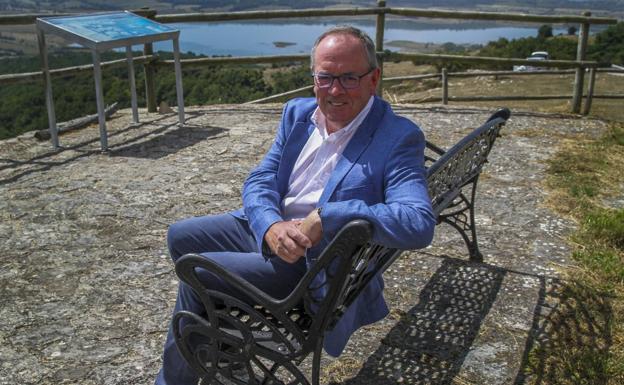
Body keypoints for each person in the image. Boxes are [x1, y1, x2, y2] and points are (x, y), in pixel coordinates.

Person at [154, 25, 436, 385]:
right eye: (325, 77)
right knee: (180, 237)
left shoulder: (397, 136)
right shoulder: (297, 114)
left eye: (349, 78)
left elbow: (417, 222)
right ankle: (223, 351)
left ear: (373, 78)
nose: (335, 90)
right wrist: (270, 225)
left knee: (196, 275)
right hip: (278, 232)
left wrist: (328, 216)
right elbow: (261, 179)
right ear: (313, 78)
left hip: (312, 264)